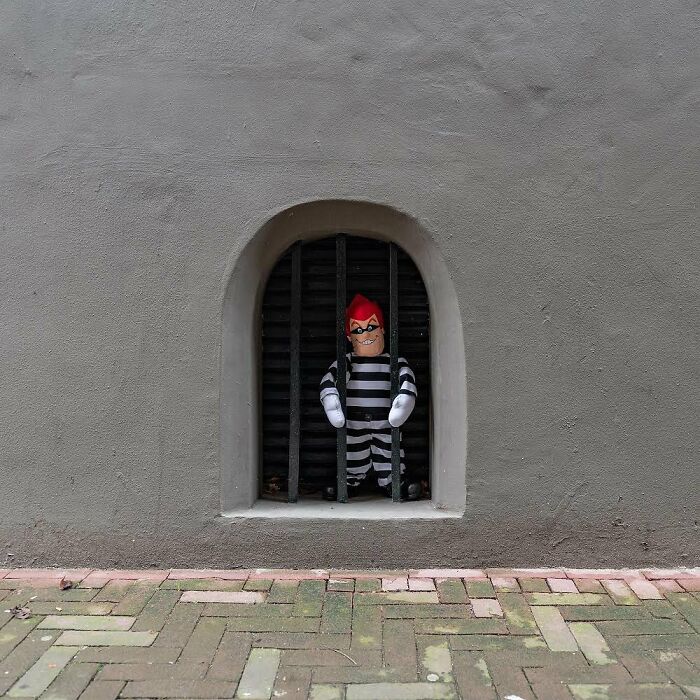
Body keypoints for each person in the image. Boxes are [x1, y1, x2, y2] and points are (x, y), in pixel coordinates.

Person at [319, 293, 422, 500]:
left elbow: (407, 379)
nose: (366, 334)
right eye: (358, 330)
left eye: (371, 327)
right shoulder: (347, 361)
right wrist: (331, 403)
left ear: (382, 329)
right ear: (350, 337)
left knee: (389, 450)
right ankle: (348, 481)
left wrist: (404, 402)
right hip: (354, 421)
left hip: (385, 420)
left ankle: (394, 481)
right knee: (352, 453)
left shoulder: (394, 361)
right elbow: (330, 380)